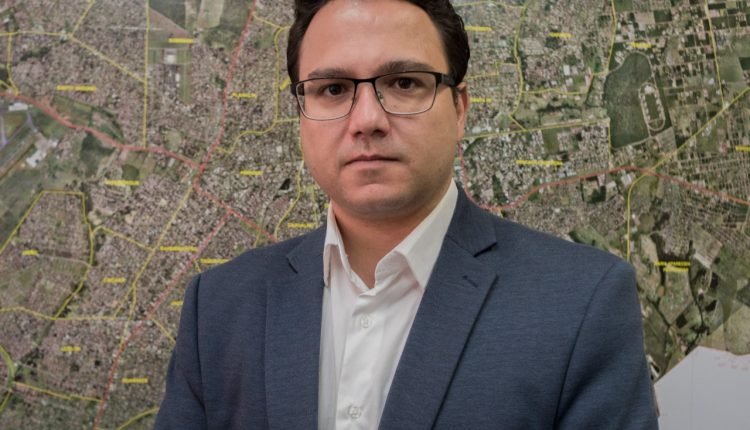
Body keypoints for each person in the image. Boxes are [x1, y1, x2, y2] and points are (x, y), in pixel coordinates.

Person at [154, 0, 659, 428]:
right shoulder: (219, 307)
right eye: (333, 89)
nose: (367, 119)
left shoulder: (581, 304)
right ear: (302, 114)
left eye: (403, 83)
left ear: (459, 108)